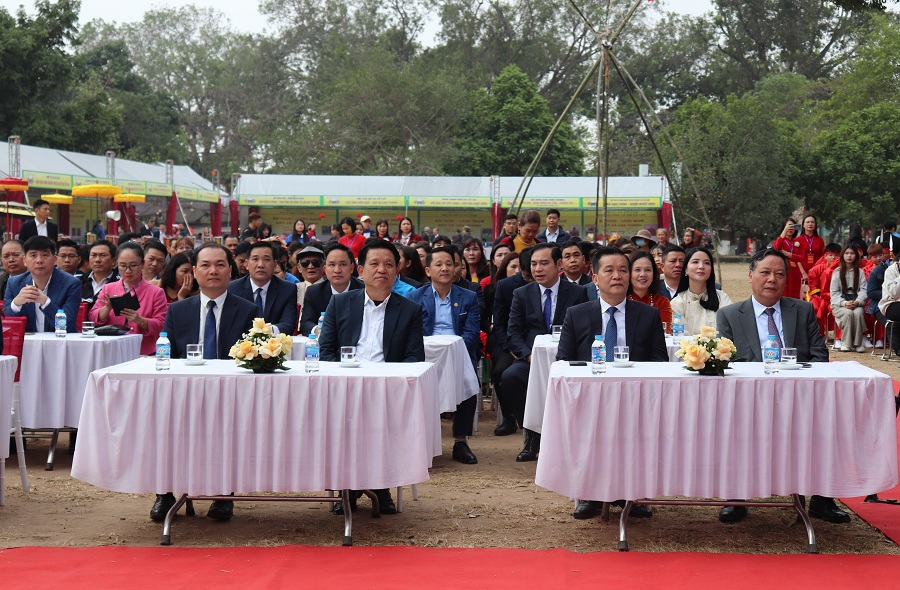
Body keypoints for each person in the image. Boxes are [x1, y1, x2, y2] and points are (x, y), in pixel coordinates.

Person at [716, 249, 845, 524]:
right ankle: (737, 497)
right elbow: (727, 362)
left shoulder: (802, 310)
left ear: (786, 280)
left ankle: (821, 500)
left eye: (779, 274)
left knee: (830, 419)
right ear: (751, 276)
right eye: (764, 272)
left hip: (799, 394)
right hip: (748, 397)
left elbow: (819, 355)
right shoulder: (729, 315)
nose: (771, 279)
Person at [556, 246, 667, 520]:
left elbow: (659, 361)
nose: (617, 276)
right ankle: (589, 494)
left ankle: (634, 494)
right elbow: (564, 361)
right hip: (591, 398)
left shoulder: (648, 315)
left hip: (636, 397)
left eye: (623, 270)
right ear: (595, 278)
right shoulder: (577, 314)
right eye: (609, 270)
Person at [151, 244, 258, 523]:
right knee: (164, 425)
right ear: (194, 272)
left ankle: (223, 495)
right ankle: (165, 492)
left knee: (229, 430)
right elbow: (167, 354)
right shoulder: (178, 310)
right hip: (183, 392)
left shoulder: (248, 310)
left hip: (230, 393)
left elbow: (251, 357)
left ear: (231, 271)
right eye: (206, 265)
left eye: (220, 265)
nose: (214, 271)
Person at [318, 240, 425, 515]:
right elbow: (327, 351)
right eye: (375, 264)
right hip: (344, 385)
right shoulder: (340, 303)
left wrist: (388, 383)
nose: (382, 270)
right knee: (345, 417)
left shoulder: (409, 309)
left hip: (387, 389)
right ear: (361, 271)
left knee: (380, 417)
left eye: (389, 264)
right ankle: (348, 488)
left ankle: (381, 486)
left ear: (397, 271)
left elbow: (414, 358)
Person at [501, 243, 588, 461]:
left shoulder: (578, 293)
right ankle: (532, 435)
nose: (537, 269)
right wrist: (529, 356)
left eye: (543, 263)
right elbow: (514, 333)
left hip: (567, 360)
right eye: (533, 264)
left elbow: (586, 330)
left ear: (558, 265)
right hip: (532, 358)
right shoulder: (521, 294)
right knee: (509, 378)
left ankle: (567, 438)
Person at [409, 247, 481, 464]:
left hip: (457, 353)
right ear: (428, 270)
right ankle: (423, 442)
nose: (445, 268)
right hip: (426, 355)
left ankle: (461, 441)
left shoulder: (468, 296)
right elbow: (413, 332)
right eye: (439, 264)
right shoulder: (415, 296)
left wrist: (454, 350)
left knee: (469, 382)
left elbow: (471, 333)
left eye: (449, 264)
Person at [89, 242, 168, 355]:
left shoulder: (156, 292)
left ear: (143, 264)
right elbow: (92, 317)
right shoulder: (108, 288)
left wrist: (140, 320)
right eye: (122, 266)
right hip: (112, 349)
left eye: (133, 265)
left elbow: (161, 325)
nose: (128, 270)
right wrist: (106, 308)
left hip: (143, 351)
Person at [490, 248, 530, 436]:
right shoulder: (506, 286)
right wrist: (510, 347)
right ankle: (509, 417)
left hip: (533, 343)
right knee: (500, 372)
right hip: (507, 341)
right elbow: (498, 323)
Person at [4, 236, 81, 332]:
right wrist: (16, 304)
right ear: (24, 261)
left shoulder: (71, 284)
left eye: (45, 255)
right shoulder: (14, 283)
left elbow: (67, 325)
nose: (39, 260)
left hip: (60, 343)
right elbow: (8, 323)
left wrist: (46, 303)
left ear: (55, 260)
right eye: (33, 255)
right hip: (26, 345)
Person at [227, 242, 298, 335]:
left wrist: (264, 333)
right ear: (247, 264)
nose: (260, 265)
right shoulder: (233, 288)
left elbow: (288, 324)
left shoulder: (288, 289)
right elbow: (230, 324)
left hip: (274, 344)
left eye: (267, 259)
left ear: (275, 264)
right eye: (255, 259)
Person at [299, 242, 364, 335]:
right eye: (332, 265)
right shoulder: (314, 292)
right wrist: (319, 330)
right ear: (325, 268)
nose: (337, 270)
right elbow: (306, 323)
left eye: (343, 264)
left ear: (352, 268)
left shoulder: (364, 289)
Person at [670, 248, 733, 335]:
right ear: (686, 269)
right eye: (695, 262)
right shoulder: (677, 303)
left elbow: (729, 329)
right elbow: (680, 337)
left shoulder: (722, 298)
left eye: (706, 263)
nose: (701, 267)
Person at [830, 244, 868, 352]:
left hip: (856, 302)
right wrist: (844, 303)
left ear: (856, 255)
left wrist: (857, 302)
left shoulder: (860, 272)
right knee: (848, 313)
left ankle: (858, 343)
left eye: (852, 253)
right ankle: (846, 343)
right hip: (839, 304)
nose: (849, 256)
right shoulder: (837, 272)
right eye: (847, 253)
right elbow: (834, 293)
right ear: (842, 256)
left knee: (858, 312)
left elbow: (863, 290)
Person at [627, 250, 673, 331]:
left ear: (654, 273)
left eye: (647, 270)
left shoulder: (662, 302)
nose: (643, 274)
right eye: (637, 270)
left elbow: (664, 333)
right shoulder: (620, 300)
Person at [80, 240, 119, 310]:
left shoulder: (120, 283)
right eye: (93, 255)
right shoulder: (78, 281)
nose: (97, 260)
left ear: (113, 261)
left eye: (103, 255)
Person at [773, 219, 806, 300]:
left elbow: (802, 258)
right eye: (788, 226)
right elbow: (777, 247)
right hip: (784, 270)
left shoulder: (797, 242)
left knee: (795, 293)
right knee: (784, 292)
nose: (790, 229)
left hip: (795, 271)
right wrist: (784, 231)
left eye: (792, 226)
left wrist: (788, 254)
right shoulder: (780, 240)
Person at [294, 245, 326, 322]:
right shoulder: (292, 290)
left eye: (316, 262)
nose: (311, 266)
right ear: (299, 267)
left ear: (323, 266)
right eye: (305, 263)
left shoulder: (331, 288)